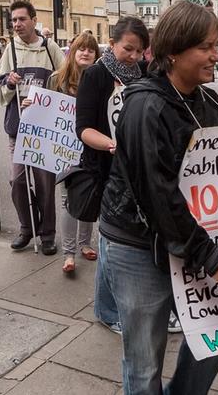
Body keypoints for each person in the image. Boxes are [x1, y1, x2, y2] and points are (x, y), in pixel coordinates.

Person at [100, 0, 218, 395]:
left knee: (216, 336)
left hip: (193, 241)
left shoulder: (208, 101)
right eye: (207, 47)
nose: (217, 56)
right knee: (145, 361)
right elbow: (158, 196)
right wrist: (211, 255)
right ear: (175, 51)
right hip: (137, 247)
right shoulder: (145, 107)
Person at [76, 18, 149, 332]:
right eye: (127, 49)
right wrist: (112, 145)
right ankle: (107, 311)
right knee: (110, 242)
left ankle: (126, 305)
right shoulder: (95, 75)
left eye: (139, 50)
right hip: (106, 168)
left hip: (140, 168)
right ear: (112, 42)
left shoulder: (145, 75)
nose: (133, 56)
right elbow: (84, 128)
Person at [0, 0, 65, 255]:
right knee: (17, 180)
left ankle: (47, 234)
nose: (17, 24)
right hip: (18, 129)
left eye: (21, 19)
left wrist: (47, 93)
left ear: (34, 20)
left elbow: (65, 80)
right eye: (13, 21)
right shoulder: (10, 50)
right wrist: (10, 84)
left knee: (45, 183)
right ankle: (26, 226)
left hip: (44, 130)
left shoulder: (49, 47)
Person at [24, 32, 102, 274]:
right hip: (64, 148)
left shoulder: (100, 78)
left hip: (90, 148)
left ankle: (84, 244)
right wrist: (31, 105)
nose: (86, 53)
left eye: (91, 49)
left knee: (88, 195)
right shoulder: (57, 78)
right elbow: (46, 111)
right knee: (68, 199)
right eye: (81, 49)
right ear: (72, 52)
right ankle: (69, 253)